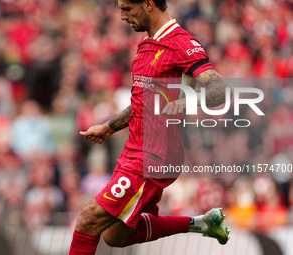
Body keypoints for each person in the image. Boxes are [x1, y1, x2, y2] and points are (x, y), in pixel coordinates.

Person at [69, 0, 230, 254]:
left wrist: (187, 101)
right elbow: (144, 100)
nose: (122, 16)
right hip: (133, 150)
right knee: (115, 234)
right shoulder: (146, 44)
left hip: (155, 155)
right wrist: (109, 127)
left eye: (127, 8)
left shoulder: (182, 44)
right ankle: (202, 223)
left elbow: (220, 91)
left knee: (88, 220)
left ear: (148, 4)